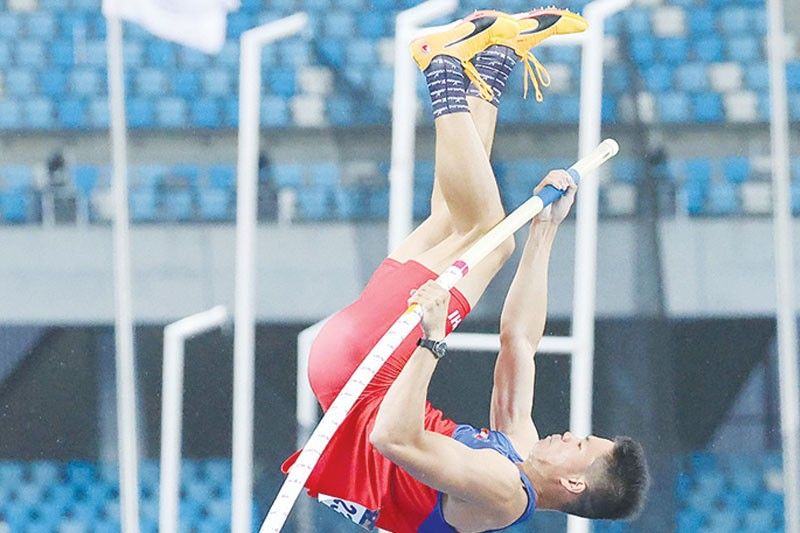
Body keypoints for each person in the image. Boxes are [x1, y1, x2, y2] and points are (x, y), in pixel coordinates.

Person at [281, 8, 649, 532]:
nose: (571, 434)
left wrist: (431, 341)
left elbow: (393, 439)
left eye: (581, 444)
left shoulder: (503, 495)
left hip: (364, 375)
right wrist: (545, 231)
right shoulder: (517, 449)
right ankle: (495, 60)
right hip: (354, 366)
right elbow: (518, 339)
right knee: (460, 222)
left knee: (486, 237)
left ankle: (443, 69)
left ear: (573, 484)